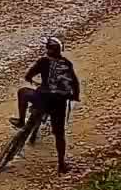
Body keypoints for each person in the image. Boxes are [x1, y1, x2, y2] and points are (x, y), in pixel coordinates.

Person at [9, 37, 80, 173]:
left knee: (22, 92)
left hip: (42, 98)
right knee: (59, 134)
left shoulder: (43, 61)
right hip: (58, 104)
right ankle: (61, 164)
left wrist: (29, 79)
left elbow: (29, 74)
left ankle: (21, 121)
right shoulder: (67, 64)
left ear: (49, 49)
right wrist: (75, 96)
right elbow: (75, 83)